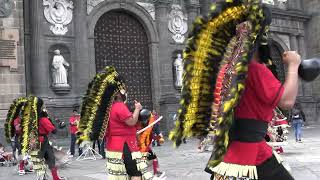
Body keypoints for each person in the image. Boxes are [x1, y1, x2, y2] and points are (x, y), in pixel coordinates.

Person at [170, 1, 300, 180]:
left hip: (228, 154)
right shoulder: (256, 70)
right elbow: (286, 101)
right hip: (251, 153)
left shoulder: (227, 70)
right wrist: (294, 65)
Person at [77, 66, 159, 180]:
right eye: (124, 90)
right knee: (136, 173)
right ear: (120, 92)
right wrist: (137, 109)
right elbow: (131, 122)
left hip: (114, 146)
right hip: (125, 145)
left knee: (121, 175)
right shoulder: (119, 106)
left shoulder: (108, 108)